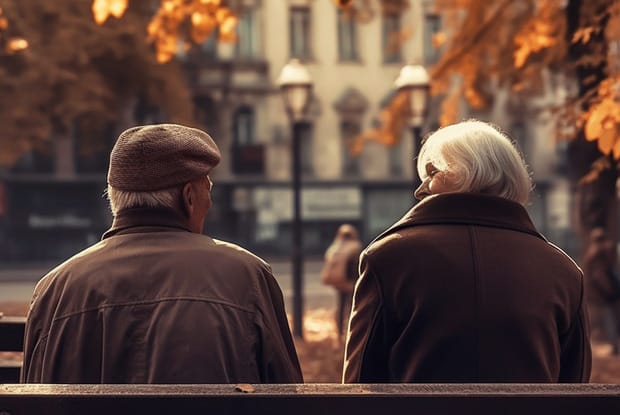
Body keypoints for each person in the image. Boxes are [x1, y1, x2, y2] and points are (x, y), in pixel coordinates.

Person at [21, 123, 303, 384]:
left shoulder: (54, 289)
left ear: (115, 197)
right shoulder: (248, 277)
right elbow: (287, 395)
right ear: (189, 198)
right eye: (208, 189)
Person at [343, 119, 591, 383]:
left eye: (428, 175)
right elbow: (574, 385)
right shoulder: (563, 272)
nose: (419, 190)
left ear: (442, 174)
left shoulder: (386, 258)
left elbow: (360, 385)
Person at [582, 227, 620, 355]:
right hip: (603, 294)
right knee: (607, 320)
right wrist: (610, 291)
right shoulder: (598, 254)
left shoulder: (595, 253)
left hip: (599, 294)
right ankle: (613, 345)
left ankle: (612, 345)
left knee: (603, 320)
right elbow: (600, 276)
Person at [320, 224, 362, 337]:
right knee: (352, 306)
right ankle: (350, 330)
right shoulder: (355, 247)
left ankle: (339, 331)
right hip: (351, 281)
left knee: (341, 305)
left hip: (339, 281)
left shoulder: (335, 247)